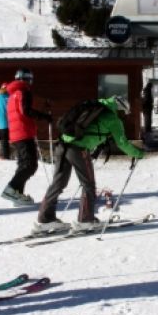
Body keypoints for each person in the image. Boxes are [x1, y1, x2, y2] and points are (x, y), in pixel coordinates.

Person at [35, 96, 143, 234]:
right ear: (120, 108)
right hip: (78, 149)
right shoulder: (112, 119)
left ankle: (45, 219)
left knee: (58, 183)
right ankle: (85, 221)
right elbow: (122, 143)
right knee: (88, 185)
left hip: (62, 145)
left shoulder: (95, 107)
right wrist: (138, 153)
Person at [2, 68, 52, 205]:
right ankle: (11, 189)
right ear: (27, 79)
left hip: (16, 133)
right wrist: (44, 116)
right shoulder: (24, 91)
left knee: (24, 164)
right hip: (23, 133)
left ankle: (17, 194)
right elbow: (26, 111)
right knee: (30, 165)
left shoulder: (12, 94)